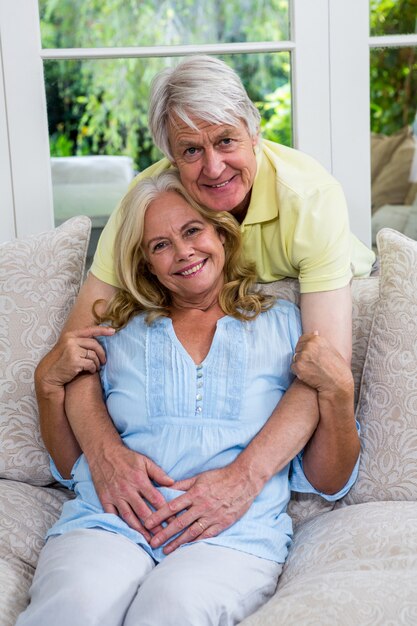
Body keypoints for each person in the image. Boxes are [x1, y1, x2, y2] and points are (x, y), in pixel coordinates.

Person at [37, 54, 366, 542]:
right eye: (190, 151)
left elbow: (323, 369)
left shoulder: (311, 198)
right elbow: (77, 350)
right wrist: (105, 454)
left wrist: (243, 479)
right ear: (171, 155)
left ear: (253, 130)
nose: (213, 167)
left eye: (227, 141)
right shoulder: (151, 201)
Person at [19, 171, 358, 626]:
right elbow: (68, 464)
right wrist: (47, 387)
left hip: (231, 535)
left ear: (221, 233)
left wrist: (338, 393)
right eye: (160, 245)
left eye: (193, 230)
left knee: (172, 609)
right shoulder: (117, 332)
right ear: (146, 264)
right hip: (110, 526)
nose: (183, 253)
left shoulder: (284, 325)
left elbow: (330, 479)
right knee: (75, 605)